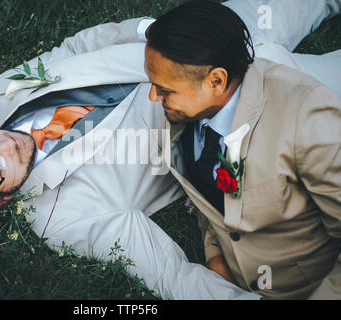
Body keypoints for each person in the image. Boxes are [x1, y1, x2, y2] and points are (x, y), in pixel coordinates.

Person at [0, 0, 339, 299]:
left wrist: (147, 34)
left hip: (181, 52)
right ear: (1, 201)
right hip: (207, 120)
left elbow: (70, 52)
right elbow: (162, 269)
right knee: (318, 92)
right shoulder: (58, 217)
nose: (3, 145)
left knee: (273, 11)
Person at [143, 0, 341, 299]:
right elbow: (207, 199)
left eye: (165, 89)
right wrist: (214, 253)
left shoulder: (308, 119)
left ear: (217, 80)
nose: (153, 96)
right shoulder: (186, 115)